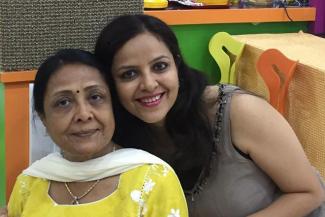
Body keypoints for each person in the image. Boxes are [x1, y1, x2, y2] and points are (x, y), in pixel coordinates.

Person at [94, 14, 325, 217]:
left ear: (177, 65)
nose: (149, 83)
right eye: (129, 74)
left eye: (160, 67)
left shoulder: (239, 111)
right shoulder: (118, 137)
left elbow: (310, 192)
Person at [7, 49, 188, 217]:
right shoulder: (28, 184)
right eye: (63, 102)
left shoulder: (153, 179)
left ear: (112, 107)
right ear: (43, 118)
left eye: (95, 97)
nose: (83, 115)